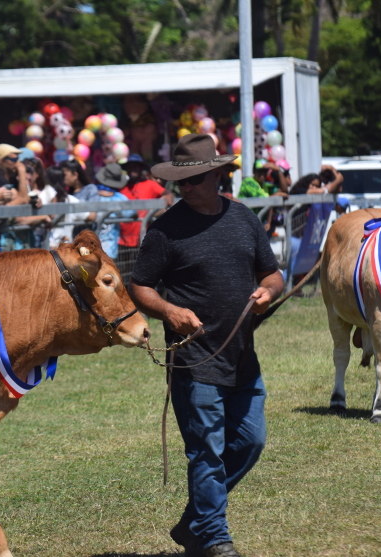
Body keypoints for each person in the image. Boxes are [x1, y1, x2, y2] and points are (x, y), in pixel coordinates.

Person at [129, 134, 283, 557]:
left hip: (242, 358)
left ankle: (196, 522)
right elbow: (139, 286)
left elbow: (272, 274)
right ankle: (214, 537)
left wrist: (269, 291)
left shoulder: (243, 218)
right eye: (181, 180)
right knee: (206, 451)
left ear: (217, 175)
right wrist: (169, 311)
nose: (186, 187)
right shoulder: (165, 230)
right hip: (193, 359)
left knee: (250, 441)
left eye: (194, 179)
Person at [93, 163, 135, 259]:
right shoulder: (120, 199)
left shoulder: (91, 195)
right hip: (109, 248)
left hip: (89, 247)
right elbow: (133, 214)